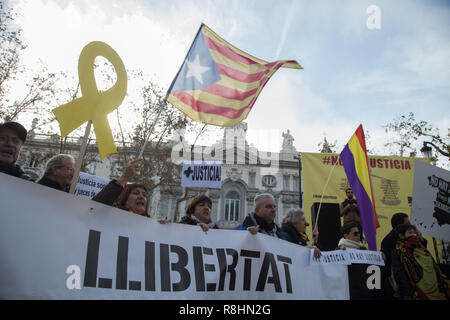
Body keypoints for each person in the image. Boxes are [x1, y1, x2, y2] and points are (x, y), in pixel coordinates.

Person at [92, 158, 169, 221]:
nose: (141, 197)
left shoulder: (151, 224)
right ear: (124, 198)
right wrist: (124, 178)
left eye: (145, 195)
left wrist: (162, 229)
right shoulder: (110, 216)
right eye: (136, 193)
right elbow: (96, 207)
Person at [391, 224, 449, 300]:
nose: (414, 235)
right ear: (401, 236)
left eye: (414, 232)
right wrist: (407, 293)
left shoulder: (420, 246)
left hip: (435, 285)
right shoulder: (399, 251)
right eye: (410, 233)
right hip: (418, 290)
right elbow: (400, 274)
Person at [380, 212, 428, 299]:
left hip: (417, 280)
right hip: (401, 285)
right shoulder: (389, 241)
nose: (410, 225)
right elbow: (390, 267)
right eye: (407, 224)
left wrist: (419, 237)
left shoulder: (412, 239)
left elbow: (423, 251)